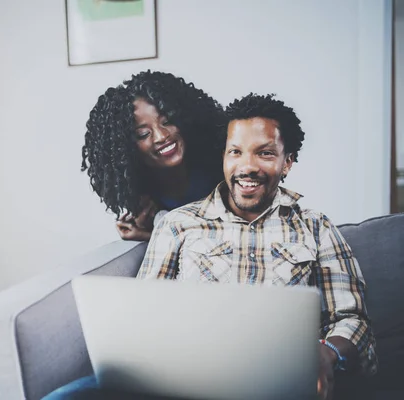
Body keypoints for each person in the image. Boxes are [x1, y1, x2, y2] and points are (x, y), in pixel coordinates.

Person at [44, 93, 377, 400]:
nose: (247, 166)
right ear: (223, 156)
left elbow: (353, 319)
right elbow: (146, 313)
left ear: (287, 162)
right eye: (236, 151)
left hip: (278, 385)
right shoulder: (178, 224)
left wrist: (328, 353)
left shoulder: (316, 226)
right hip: (189, 378)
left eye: (264, 153)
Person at [81, 70, 225, 242]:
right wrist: (145, 228)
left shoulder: (222, 170)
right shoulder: (146, 201)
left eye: (167, 122)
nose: (161, 136)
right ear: (126, 148)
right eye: (143, 134)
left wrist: (150, 237)